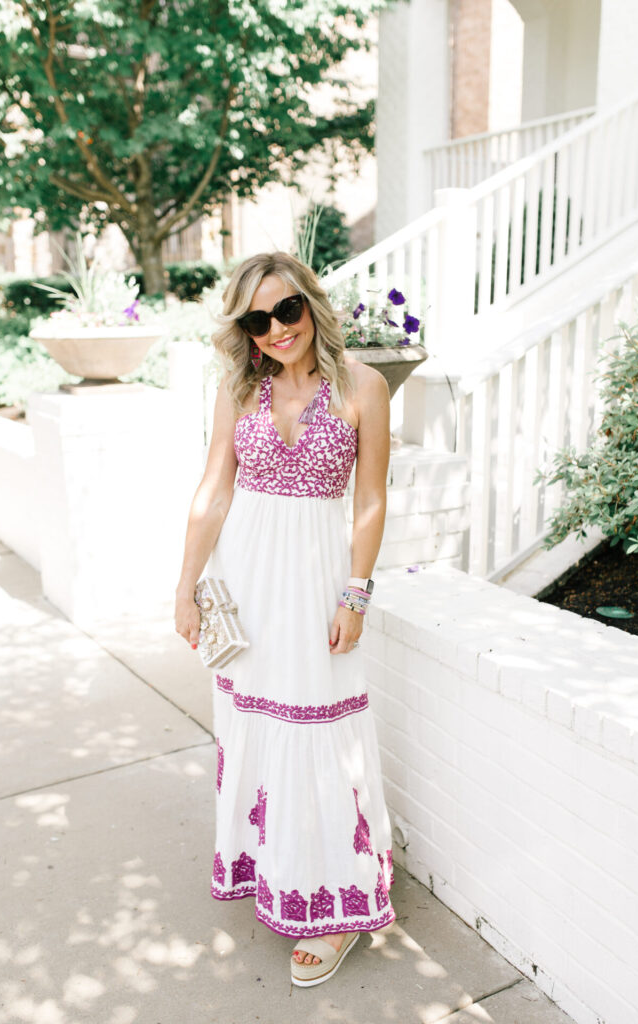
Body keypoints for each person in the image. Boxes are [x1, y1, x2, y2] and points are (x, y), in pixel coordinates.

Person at [174, 252, 395, 987]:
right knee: (259, 730)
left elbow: (368, 503)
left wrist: (355, 595)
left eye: (286, 310)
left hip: (317, 582)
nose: (275, 330)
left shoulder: (362, 386)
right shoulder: (240, 389)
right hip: (246, 580)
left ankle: (331, 905)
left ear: (311, 303)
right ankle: (279, 870)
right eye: (256, 319)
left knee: (320, 734)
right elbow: (212, 489)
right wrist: (184, 587)